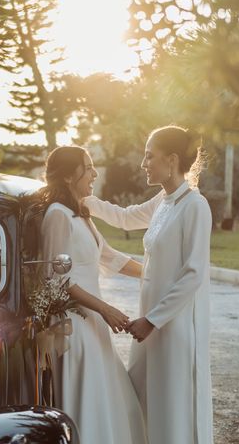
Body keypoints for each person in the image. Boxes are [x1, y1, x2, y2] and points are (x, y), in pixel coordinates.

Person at [84, 125, 213, 444]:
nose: (143, 163)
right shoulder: (164, 201)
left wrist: (154, 320)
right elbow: (126, 217)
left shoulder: (195, 206)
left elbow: (194, 273)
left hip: (173, 326)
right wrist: (84, 199)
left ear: (171, 160)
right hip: (148, 323)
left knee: (173, 405)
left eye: (148, 156)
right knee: (144, 399)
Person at [38, 145, 147, 444]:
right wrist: (105, 309)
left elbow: (110, 257)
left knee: (115, 400)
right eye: (88, 167)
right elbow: (56, 282)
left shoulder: (80, 214)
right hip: (73, 328)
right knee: (90, 399)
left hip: (93, 323)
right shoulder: (57, 216)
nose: (94, 173)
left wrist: (156, 273)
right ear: (71, 174)